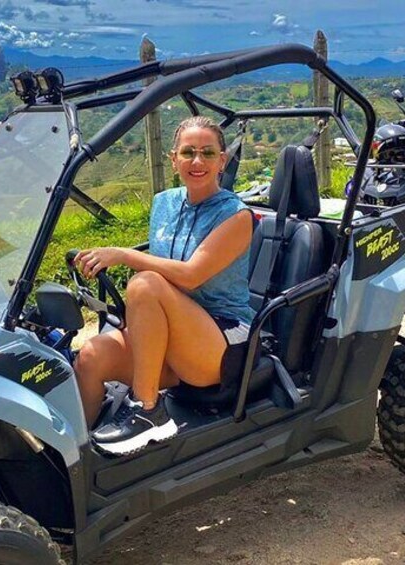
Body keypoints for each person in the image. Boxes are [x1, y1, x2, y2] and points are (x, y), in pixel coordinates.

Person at [72, 116, 255, 456]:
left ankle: (147, 409)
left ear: (222, 161)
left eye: (207, 153)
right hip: (171, 331)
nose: (197, 161)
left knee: (144, 284)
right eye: (188, 152)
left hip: (222, 341)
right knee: (91, 356)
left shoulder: (236, 216)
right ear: (173, 159)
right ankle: (76, 460)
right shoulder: (164, 203)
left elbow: (189, 276)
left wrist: (124, 255)